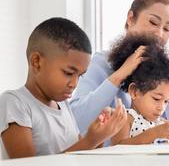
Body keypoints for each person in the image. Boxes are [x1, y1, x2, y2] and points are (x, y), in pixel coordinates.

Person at [70, 0, 169, 136]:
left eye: (167, 28)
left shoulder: (159, 71)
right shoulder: (101, 63)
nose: (160, 34)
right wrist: (121, 74)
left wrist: (163, 67)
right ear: (130, 18)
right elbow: (76, 120)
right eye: (153, 23)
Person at [0, 18, 127, 159]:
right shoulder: (14, 103)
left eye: (80, 75)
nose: (74, 83)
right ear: (36, 62)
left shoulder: (63, 104)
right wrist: (91, 140)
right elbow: (26, 164)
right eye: (68, 73)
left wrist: (101, 135)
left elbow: (78, 156)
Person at [110, 34, 169, 145]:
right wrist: (153, 134)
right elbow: (117, 147)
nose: (161, 108)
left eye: (166, 101)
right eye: (156, 98)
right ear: (134, 91)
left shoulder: (160, 122)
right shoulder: (125, 119)